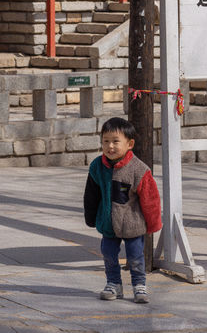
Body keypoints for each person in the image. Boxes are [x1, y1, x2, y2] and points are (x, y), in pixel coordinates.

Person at [83, 116, 162, 304]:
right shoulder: (97, 167)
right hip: (108, 222)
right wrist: (91, 217)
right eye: (106, 141)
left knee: (135, 256)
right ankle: (113, 284)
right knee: (109, 254)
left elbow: (151, 199)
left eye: (116, 141)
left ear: (130, 143)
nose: (110, 146)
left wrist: (152, 223)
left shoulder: (139, 169)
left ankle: (139, 285)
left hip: (133, 224)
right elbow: (91, 195)